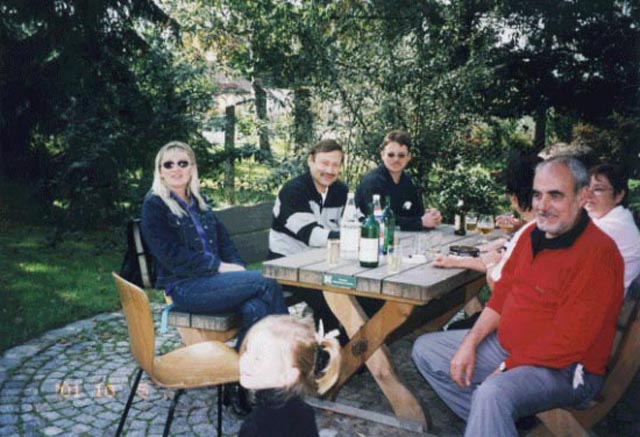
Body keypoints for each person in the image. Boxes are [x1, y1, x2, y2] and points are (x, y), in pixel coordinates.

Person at [412, 156, 624, 436]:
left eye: (555, 195)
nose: (543, 205)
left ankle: (489, 421)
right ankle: (490, 425)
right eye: (537, 195)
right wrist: (470, 342)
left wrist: (507, 367)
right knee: (426, 351)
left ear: (582, 196)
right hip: (509, 348)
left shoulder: (599, 254)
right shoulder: (530, 235)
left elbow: (570, 341)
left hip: (565, 369)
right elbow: (501, 297)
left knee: (493, 393)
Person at [140, 141, 288, 415]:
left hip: (214, 285)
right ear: (160, 171)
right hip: (185, 288)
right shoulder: (155, 205)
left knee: (256, 307)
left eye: (183, 163)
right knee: (267, 283)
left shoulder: (200, 201)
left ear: (192, 168)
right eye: (168, 164)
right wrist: (219, 268)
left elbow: (225, 242)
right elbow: (170, 256)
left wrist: (237, 268)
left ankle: (238, 382)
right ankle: (289, 365)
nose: (176, 169)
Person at [268, 139, 348, 340]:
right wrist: (352, 237)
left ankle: (346, 346)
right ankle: (332, 349)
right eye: (324, 163)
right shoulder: (293, 191)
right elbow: (312, 236)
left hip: (321, 264)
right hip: (287, 265)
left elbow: (347, 224)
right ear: (310, 160)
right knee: (329, 297)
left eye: (335, 165)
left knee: (359, 292)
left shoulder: (340, 191)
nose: (329, 170)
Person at [433, 154, 542, 288]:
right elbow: (501, 261)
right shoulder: (546, 227)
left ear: (514, 198)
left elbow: (499, 285)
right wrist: (453, 261)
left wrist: (490, 265)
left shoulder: (530, 236)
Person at [238, 315, 341, 437]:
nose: (245, 361)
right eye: (247, 350)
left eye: (258, 359)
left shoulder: (256, 425)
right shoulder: (305, 411)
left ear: (288, 376)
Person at [355, 130, 442, 230]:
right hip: (369, 236)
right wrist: (420, 222)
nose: (396, 159)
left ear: (408, 157)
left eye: (401, 155)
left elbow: (417, 214)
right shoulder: (372, 182)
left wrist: (431, 216)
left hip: (403, 237)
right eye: (391, 155)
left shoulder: (408, 182)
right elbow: (379, 219)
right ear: (382, 155)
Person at [585, 163, 640, 294]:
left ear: (619, 195)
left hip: (599, 300)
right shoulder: (607, 218)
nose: (588, 195)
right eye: (586, 188)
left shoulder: (615, 226)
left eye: (598, 189)